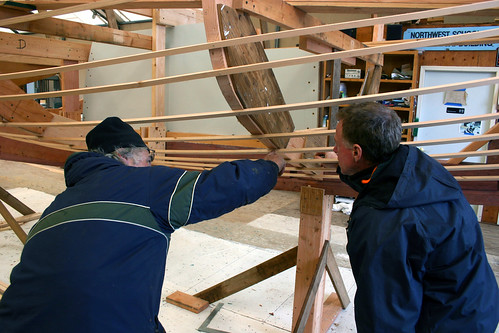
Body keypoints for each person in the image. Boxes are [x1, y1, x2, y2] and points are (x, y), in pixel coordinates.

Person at [0, 116, 286, 333]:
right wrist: (272, 165)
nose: (150, 163)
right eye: (148, 156)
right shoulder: (145, 183)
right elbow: (227, 185)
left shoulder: (58, 203)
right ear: (125, 156)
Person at [331, 102, 499, 332]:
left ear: (358, 152)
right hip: (477, 306)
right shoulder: (416, 167)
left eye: (337, 145)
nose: (333, 151)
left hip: (448, 323)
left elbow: (385, 316)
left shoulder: (381, 223)